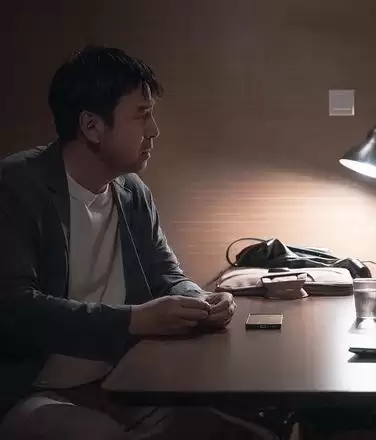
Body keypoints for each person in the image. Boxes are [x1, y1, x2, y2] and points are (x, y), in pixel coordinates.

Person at [0, 46, 267, 439]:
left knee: (247, 431)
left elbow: (166, 274)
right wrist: (134, 319)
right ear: (92, 126)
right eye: (142, 115)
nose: (154, 130)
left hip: (123, 382)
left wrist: (199, 300)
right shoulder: (17, 185)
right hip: (33, 391)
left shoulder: (131, 191)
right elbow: (15, 308)